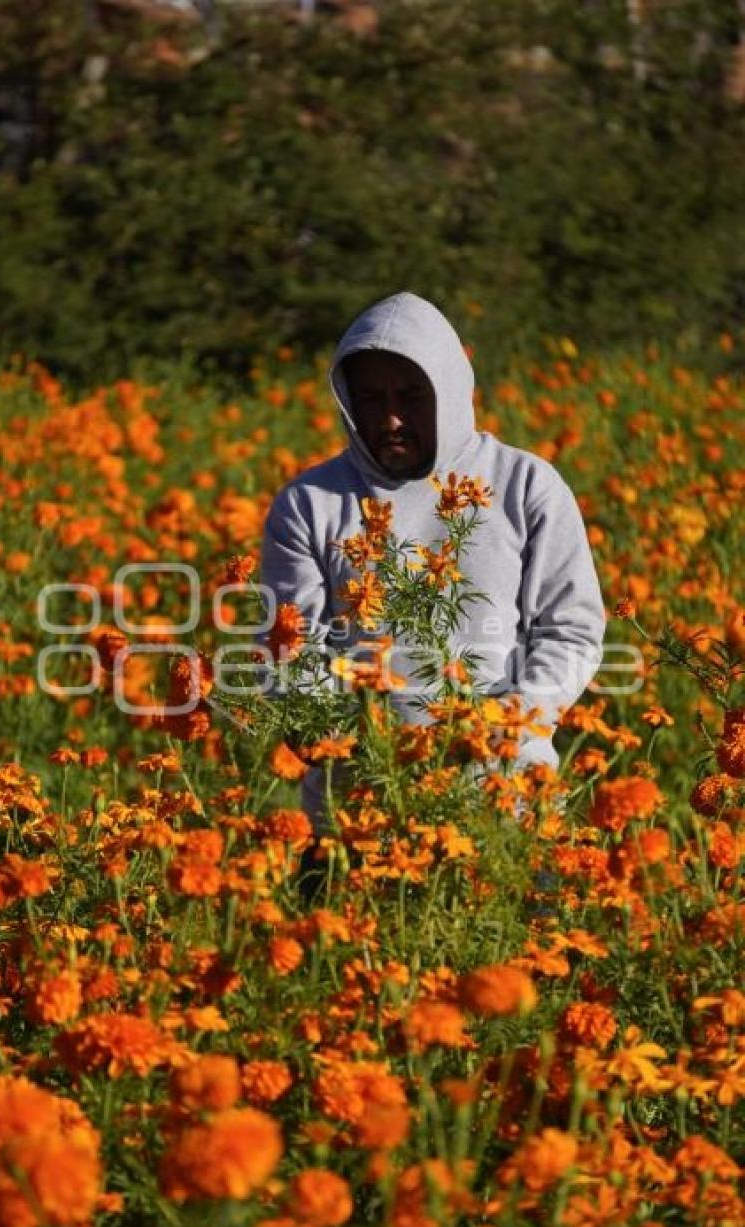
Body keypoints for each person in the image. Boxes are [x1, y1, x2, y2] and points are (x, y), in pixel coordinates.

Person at [260, 292, 607, 837]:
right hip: (359, 816)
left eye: (412, 395)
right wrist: (331, 730)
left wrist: (508, 721)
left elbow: (572, 631)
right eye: (371, 398)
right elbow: (290, 646)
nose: (391, 417)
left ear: (450, 389)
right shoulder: (311, 503)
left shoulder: (526, 486)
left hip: (505, 806)